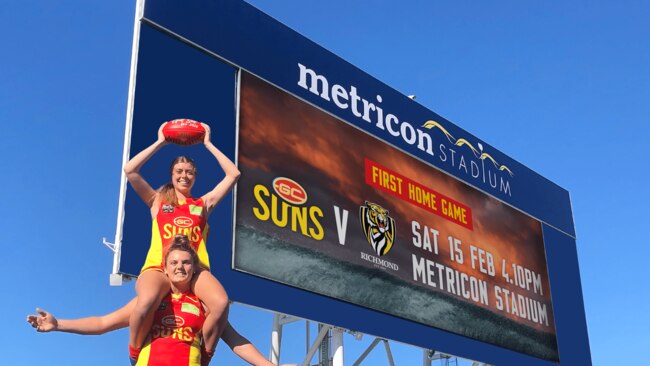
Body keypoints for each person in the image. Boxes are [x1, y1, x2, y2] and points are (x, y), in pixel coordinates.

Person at [27, 235, 291, 366]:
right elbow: (103, 322)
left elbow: (237, 341)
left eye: (186, 263)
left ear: (194, 268)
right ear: (164, 268)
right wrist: (58, 323)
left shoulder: (203, 304)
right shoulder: (153, 300)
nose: (180, 267)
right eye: (174, 262)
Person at [123, 122, 240, 363]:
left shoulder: (203, 204)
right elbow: (130, 170)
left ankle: (205, 355)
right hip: (159, 266)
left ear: (195, 176)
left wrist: (208, 144)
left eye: (189, 172)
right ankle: (135, 353)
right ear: (172, 175)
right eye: (179, 171)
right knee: (145, 302)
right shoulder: (157, 201)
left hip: (194, 270)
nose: (184, 175)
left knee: (220, 303)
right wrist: (161, 142)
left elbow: (234, 174)